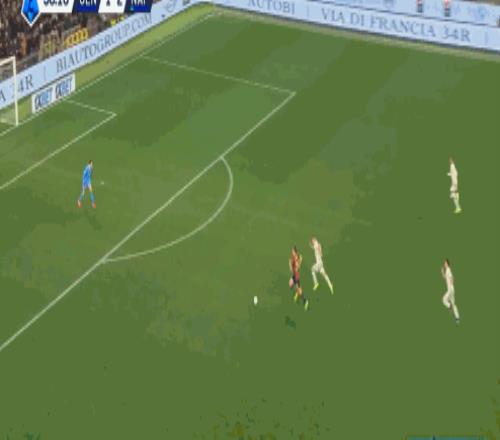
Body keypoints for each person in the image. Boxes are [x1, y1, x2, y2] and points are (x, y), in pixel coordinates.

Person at [289, 246, 309, 311]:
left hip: (296, 276)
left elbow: (297, 267)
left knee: (295, 288)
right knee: (292, 285)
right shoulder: (293, 257)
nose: (292, 252)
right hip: (294, 275)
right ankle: (297, 293)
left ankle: (305, 301)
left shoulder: (296, 258)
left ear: (295, 252)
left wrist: (290, 265)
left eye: (293, 251)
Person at [441, 258, 460, 325]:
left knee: (443, 299)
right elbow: (445, 278)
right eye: (444, 263)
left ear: (448, 264)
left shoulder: (448, 269)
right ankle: (457, 318)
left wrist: (452, 282)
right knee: (454, 304)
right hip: (451, 289)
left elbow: (452, 277)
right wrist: (442, 272)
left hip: (450, 289)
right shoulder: (447, 271)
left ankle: (449, 306)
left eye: (445, 263)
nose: (444, 264)